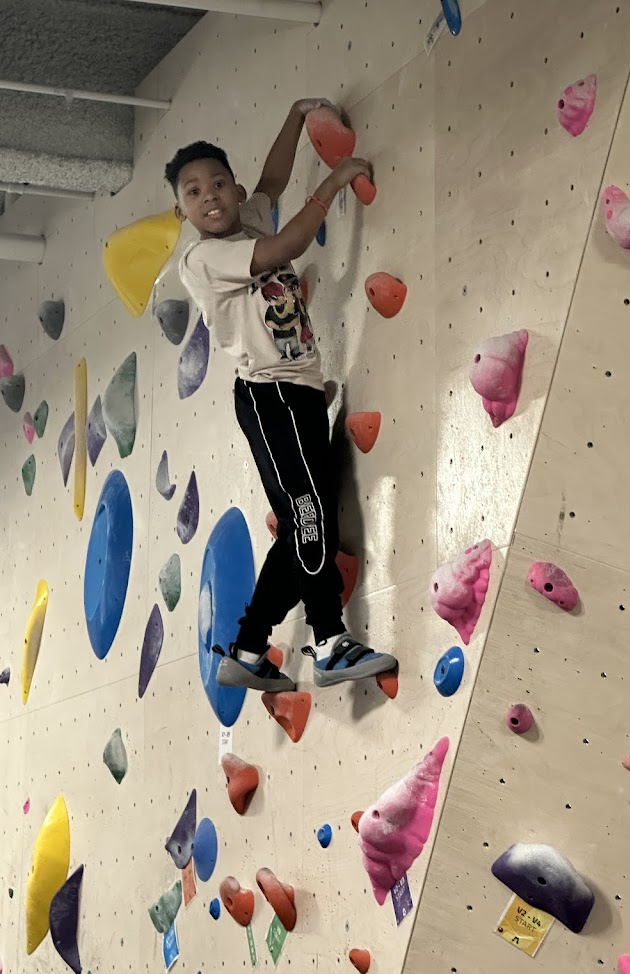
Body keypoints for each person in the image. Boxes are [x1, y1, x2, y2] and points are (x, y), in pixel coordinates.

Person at [164, 98, 397, 692]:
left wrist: (294, 118)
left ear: (234, 189)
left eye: (219, 183)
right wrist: (335, 181)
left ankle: (247, 649)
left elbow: (271, 181)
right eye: (194, 192)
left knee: (300, 523)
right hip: (272, 398)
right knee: (310, 514)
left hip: (295, 393)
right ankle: (329, 641)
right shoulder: (204, 258)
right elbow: (287, 245)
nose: (210, 196)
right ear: (181, 210)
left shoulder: (247, 218)